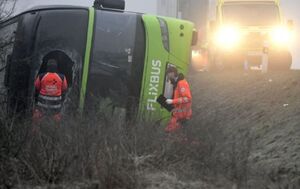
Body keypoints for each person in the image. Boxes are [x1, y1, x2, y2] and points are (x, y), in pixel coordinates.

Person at [32, 59, 68, 124]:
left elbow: (37, 87)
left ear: (47, 67)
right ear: (56, 67)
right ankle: (54, 131)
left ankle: (36, 131)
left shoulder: (41, 76)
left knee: (36, 121)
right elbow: (64, 89)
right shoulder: (62, 77)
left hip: (42, 106)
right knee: (56, 123)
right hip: (56, 107)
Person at [165, 66, 192, 132]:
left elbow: (187, 98)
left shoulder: (181, 83)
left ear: (172, 73)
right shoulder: (177, 83)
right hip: (178, 114)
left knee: (169, 133)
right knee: (169, 132)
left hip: (182, 116)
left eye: (168, 75)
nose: (168, 77)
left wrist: (172, 101)